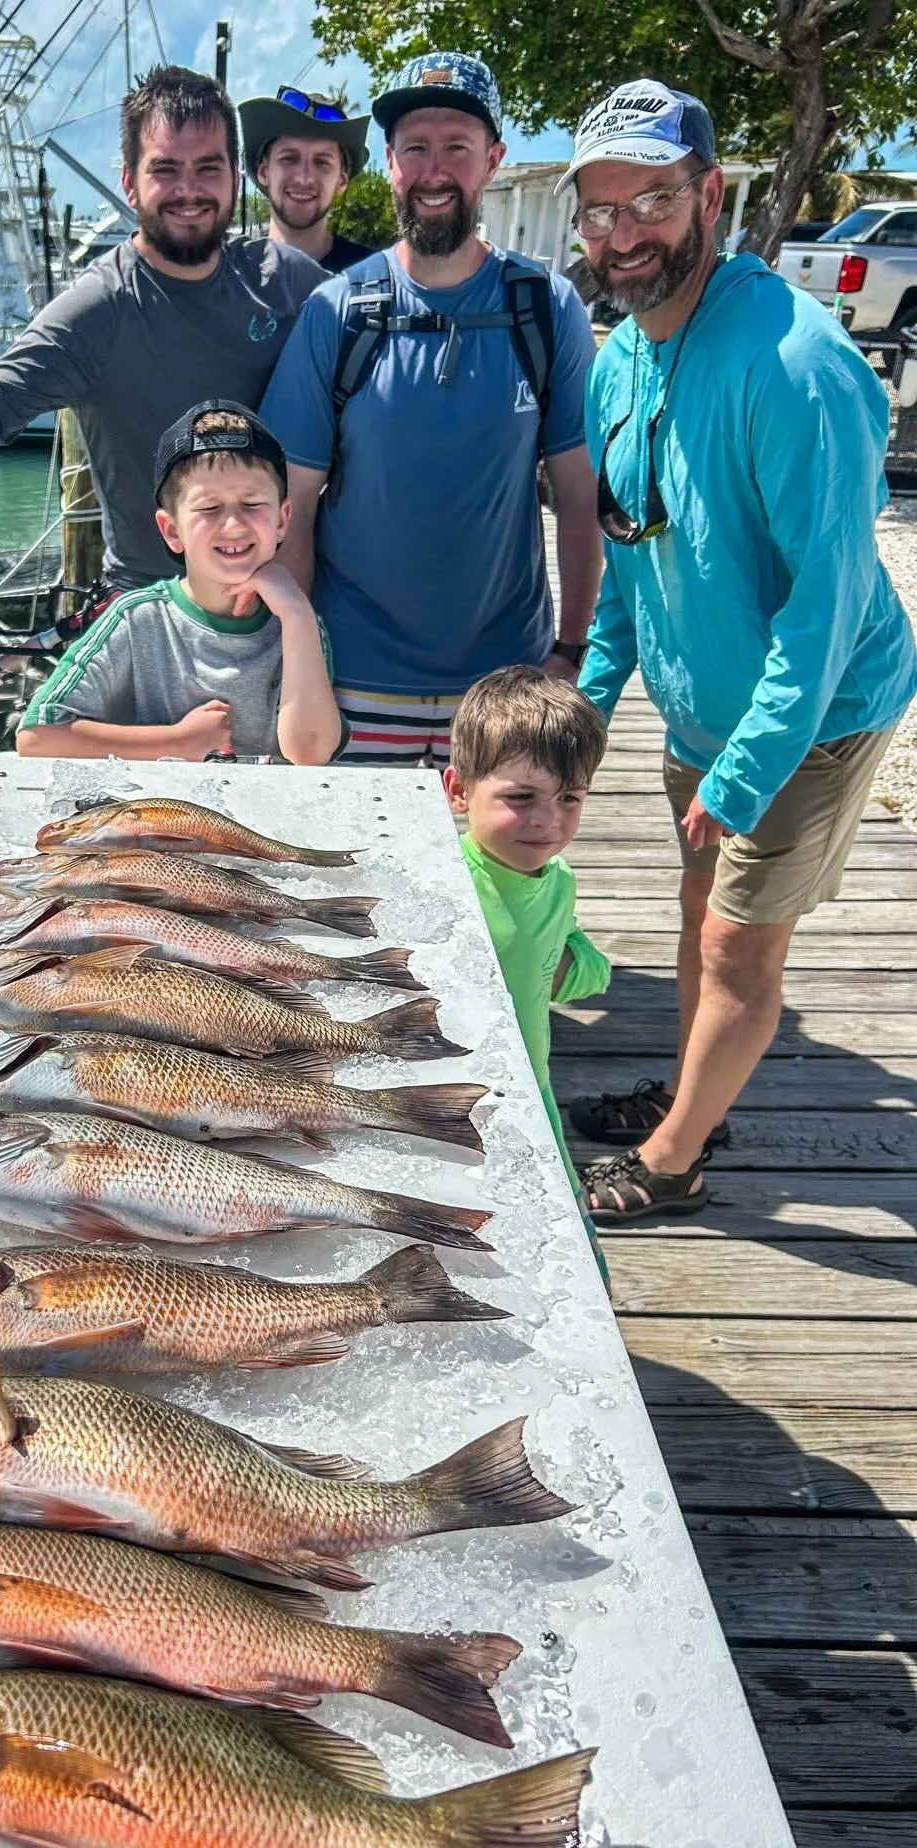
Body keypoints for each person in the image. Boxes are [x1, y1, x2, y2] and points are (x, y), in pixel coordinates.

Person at [559, 79, 917, 1224]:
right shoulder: (619, 355)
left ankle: (674, 1161)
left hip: (813, 713)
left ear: (712, 196)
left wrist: (744, 772)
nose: (623, 237)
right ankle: (693, 1095)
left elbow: (823, 613)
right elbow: (630, 548)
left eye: (651, 202)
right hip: (704, 701)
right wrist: (591, 706)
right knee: (696, 908)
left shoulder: (798, 367)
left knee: (734, 948)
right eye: (600, 211)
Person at [0, 67, 327, 596]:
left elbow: (382, 333)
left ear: (236, 174)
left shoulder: (284, 280)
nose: (189, 190)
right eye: (166, 169)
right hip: (150, 607)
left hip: (276, 599)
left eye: (207, 168)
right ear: (129, 181)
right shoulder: (101, 307)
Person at [260, 51, 602, 768]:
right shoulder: (338, 311)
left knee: (497, 883)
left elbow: (578, 495)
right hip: (352, 682)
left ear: (494, 161)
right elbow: (293, 502)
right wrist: (305, 663)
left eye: (457, 147)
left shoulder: (544, 308)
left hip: (506, 684)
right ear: (390, 162)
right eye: (415, 147)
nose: (434, 169)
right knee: (355, 876)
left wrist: (570, 653)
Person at [17, 402, 342, 764]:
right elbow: (36, 738)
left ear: (282, 520)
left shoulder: (300, 625)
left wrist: (297, 615)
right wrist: (175, 742)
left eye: (252, 504)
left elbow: (311, 753)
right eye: (209, 508)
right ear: (172, 530)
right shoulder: (133, 618)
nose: (233, 525)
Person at [443, 668, 611, 1269]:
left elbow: (587, 965)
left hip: (533, 1087)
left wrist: (566, 967)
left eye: (570, 798)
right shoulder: (444, 879)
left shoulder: (558, 879)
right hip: (455, 1089)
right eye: (521, 798)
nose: (548, 819)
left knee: (571, 1247)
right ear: (458, 791)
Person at [237, 85, 372, 272]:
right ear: (264, 172)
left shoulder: (372, 280)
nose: (304, 178)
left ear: (342, 180)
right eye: (289, 158)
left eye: (321, 162)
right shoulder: (232, 277)